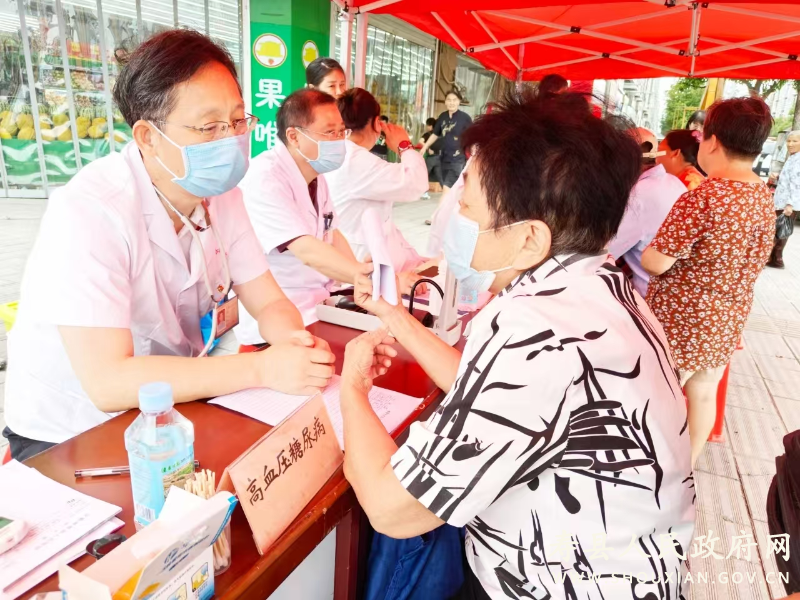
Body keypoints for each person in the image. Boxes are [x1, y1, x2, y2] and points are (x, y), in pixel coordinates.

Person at [339, 90, 694, 600]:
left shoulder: (536, 328)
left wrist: (352, 389)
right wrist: (397, 319)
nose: (455, 220)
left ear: (529, 239)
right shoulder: (599, 286)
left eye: (467, 208)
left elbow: (392, 508)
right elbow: (491, 391)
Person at [2, 30, 335, 461]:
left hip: (165, 411)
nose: (231, 139)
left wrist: (294, 344)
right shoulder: (90, 210)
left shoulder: (221, 194)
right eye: (209, 126)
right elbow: (108, 382)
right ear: (148, 136)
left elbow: (268, 299)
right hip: (70, 432)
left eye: (238, 121)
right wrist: (262, 367)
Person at [642, 97, 775, 466]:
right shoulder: (763, 196)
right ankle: (685, 466)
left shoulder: (704, 196)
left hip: (682, 321)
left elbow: (655, 262)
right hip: (727, 317)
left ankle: (650, 470)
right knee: (703, 394)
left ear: (713, 142)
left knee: (656, 395)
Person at [235, 89, 364, 334]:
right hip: (281, 315)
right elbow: (305, 249)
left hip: (318, 302)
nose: (339, 140)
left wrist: (357, 272)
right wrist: (362, 276)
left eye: (341, 131)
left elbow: (332, 233)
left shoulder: (315, 174)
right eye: (329, 132)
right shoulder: (265, 177)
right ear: (294, 136)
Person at [325, 88, 429, 275]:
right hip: (360, 263)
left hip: (348, 257)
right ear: (376, 123)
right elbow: (416, 183)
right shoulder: (356, 161)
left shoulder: (341, 153)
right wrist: (404, 146)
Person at [609, 128, 688, 297]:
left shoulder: (638, 195)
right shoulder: (673, 182)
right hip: (675, 291)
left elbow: (604, 252)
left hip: (649, 296)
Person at [419, 89, 472, 193]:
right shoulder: (442, 117)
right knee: (447, 186)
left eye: (454, 100)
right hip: (443, 158)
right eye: (449, 100)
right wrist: (425, 147)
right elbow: (435, 134)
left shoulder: (465, 118)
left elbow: (473, 135)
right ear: (445, 102)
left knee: (448, 187)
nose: (451, 102)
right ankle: (454, 202)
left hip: (458, 158)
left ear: (459, 101)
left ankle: (446, 202)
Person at [768, 130, 800, 268]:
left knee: (780, 230)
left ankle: (776, 258)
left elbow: (797, 184)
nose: (790, 144)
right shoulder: (793, 157)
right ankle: (774, 258)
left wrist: (790, 205)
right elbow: (789, 179)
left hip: (788, 203)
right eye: (789, 141)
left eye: (795, 141)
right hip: (782, 201)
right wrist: (778, 176)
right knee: (779, 229)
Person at [420, 116, 443, 188]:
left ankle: (422, 190)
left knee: (424, 174)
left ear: (430, 126)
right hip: (440, 157)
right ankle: (447, 191)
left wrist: (427, 147)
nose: (427, 127)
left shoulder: (429, 134)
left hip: (432, 158)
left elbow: (420, 141)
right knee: (440, 176)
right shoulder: (441, 134)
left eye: (427, 125)